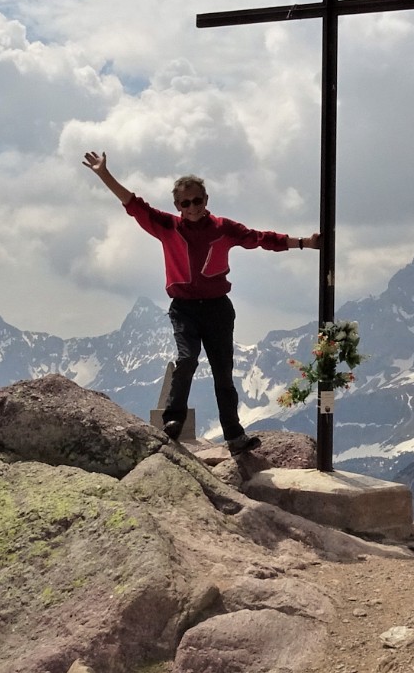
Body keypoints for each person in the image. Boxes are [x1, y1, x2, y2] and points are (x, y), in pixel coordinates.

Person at [82, 150, 319, 454]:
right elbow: (133, 204)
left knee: (223, 373)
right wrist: (104, 174)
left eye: (197, 200)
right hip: (184, 309)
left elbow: (261, 238)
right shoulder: (168, 227)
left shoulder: (223, 228)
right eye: (185, 203)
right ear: (177, 206)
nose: (192, 207)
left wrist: (303, 243)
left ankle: (234, 436)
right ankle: (173, 421)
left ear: (206, 199)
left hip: (219, 308)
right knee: (187, 359)